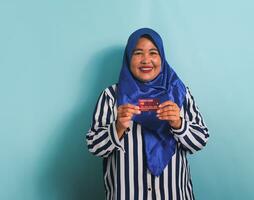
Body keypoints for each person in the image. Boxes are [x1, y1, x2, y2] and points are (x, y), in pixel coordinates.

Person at [86, 28, 209, 200]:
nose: (146, 60)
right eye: (138, 53)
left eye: (153, 52)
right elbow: (94, 147)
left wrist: (178, 124)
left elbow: (200, 141)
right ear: (129, 58)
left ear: (162, 58)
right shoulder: (111, 96)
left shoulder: (180, 94)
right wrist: (118, 127)